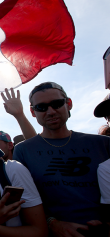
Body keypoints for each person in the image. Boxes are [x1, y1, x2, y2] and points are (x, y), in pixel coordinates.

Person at [13, 82, 110, 236]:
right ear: (33, 112)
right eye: (41, 107)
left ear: (68, 103)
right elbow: (21, 201)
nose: (50, 111)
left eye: (57, 104)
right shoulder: (23, 150)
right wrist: (52, 223)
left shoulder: (103, 144)